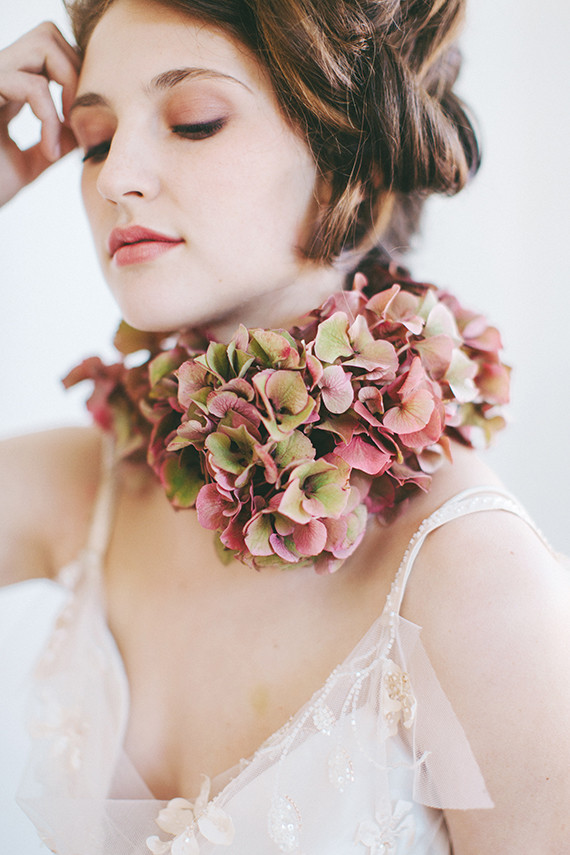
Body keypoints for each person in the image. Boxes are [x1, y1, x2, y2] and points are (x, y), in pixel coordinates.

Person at [0, 1, 569, 853]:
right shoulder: (90, 490)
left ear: (352, 158)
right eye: (94, 138)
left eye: (194, 121)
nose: (117, 174)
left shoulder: (468, 573)